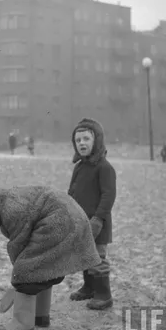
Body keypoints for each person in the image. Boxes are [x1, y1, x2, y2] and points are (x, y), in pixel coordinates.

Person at [0, 177, 101, 330]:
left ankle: (21, 326)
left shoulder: (10, 209)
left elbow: (18, 244)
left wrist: (18, 278)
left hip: (60, 222)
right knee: (42, 269)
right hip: (70, 219)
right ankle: (40, 316)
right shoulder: (6, 203)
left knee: (27, 270)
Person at [68, 118, 116, 310]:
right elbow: (72, 192)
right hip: (81, 221)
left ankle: (104, 294)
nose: (82, 143)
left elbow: (108, 196)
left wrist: (97, 219)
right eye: (78, 140)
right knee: (85, 256)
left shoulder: (104, 167)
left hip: (98, 223)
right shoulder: (80, 167)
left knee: (97, 257)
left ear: (96, 140)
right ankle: (89, 287)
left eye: (86, 139)